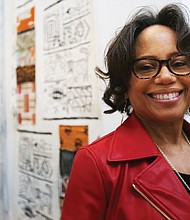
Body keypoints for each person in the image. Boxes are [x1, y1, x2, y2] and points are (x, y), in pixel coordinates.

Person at [62, 3, 190, 219]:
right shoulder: (95, 163)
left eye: (179, 63)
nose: (167, 77)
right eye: (146, 67)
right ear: (124, 86)